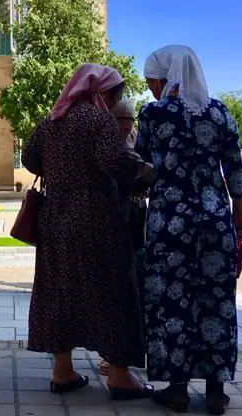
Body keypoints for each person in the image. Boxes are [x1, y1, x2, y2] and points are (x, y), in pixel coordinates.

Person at [22, 64, 154, 400]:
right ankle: (120, 377)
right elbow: (115, 163)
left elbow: (29, 158)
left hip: (55, 219)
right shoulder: (98, 122)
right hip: (97, 219)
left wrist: (59, 170)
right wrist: (145, 171)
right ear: (100, 92)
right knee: (113, 290)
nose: (115, 103)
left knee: (59, 291)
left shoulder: (51, 122)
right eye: (114, 95)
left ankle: (62, 372)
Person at [137, 45, 242, 415]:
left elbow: (142, 166)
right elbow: (235, 168)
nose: (153, 88)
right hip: (215, 222)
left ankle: (178, 389)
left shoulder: (153, 115)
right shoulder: (219, 114)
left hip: (170, 224)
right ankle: (216, 391)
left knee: (172, 300)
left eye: (154, 80)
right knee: (215, 301)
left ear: (168, 76)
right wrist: (240, 216)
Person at [97, 97, 149, 377]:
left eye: (128, 126)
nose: (125, 131)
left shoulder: (131, 140)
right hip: (111, 224)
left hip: (132, 223)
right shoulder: (104, 142)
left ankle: (123, 357)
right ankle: (115, 357)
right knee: (115, 291)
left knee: (133, 288)